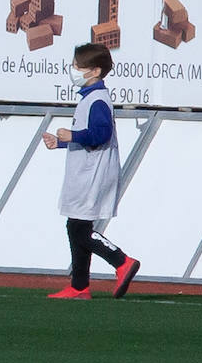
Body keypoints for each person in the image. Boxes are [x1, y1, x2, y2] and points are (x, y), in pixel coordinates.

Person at [41, 42, 141, 299]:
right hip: (86, 170)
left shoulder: (97, 100)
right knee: (76, 224)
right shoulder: (90, 98)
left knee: (79, 229)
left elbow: (100, 134)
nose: (73, 70)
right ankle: (79, 285)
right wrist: (62, 142)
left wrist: (72, 135)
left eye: (78, 66)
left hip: (93, 173)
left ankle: (121, 261)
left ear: (95, 71)